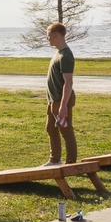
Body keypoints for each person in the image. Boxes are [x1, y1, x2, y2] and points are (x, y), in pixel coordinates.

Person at [41, 22, 78, 166]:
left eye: (48, 35)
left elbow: (68, 82)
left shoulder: (66, 56)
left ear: (56, 35)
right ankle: (54, 160)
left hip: (60, 102)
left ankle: (71, 165)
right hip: (53, 101)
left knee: (66, 132)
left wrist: (63, 106)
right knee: (50, 128)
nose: (47, 38)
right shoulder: (58, 53)